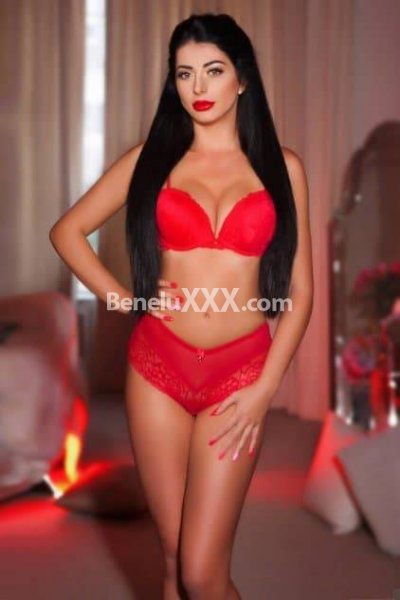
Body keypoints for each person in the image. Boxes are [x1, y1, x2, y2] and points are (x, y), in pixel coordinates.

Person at [50, 12, 313, 600]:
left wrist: (266, 389)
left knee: (202, 572)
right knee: (172, 563)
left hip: (239, 377)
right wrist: (123, 297)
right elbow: (67, 231)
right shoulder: (152, 159)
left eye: (213, 71)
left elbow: (301, 294)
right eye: (184, 73)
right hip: (157, 369)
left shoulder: (282, 168)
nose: (198, 87)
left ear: (242, 78)